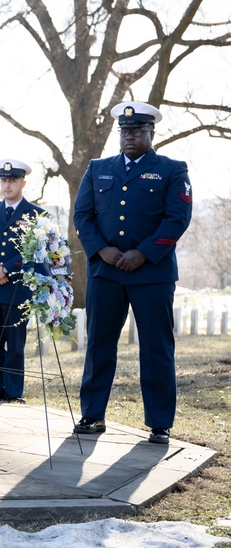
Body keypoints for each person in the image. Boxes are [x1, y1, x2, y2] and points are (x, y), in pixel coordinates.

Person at [73, 102, 192, 445]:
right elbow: (83, 215)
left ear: (151, 133)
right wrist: (101, 250)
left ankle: (159, 423)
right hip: (105, 274)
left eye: (137, 130)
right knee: (98, 345)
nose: (129, 136)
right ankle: (92, 415)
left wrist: (145, 253)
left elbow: (177, 219)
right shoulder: (98, 169)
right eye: (125, 131)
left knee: (156, 348)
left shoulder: (171, 170)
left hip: (151, 275)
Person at [0, 159, 45, 402]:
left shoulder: (36, 215)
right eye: (4, 180)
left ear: (22, 183)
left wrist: (6, 269)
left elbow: (36, 251)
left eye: (12, 180)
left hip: (17, 289)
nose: (7, 185)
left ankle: (13, 392)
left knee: (15, 345)